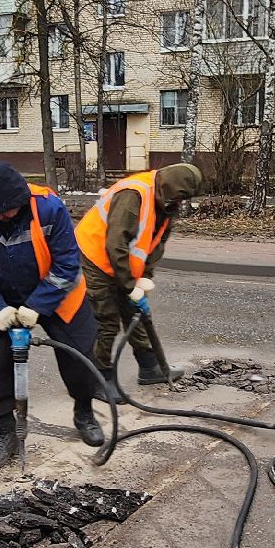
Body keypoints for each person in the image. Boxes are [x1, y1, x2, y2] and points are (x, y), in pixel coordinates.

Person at [0, 163, 104, 469]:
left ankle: (84, 411)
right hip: (5, 300)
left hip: (57, 293)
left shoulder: (49, 208)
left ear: (21, 201)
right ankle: (7, 432)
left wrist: (37, 305)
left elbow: (67, 264)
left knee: (79, 357)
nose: (2, 218)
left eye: (9, 211)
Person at [74, 163, 202, 400]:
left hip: (121, 262)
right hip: (95, 256)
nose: (182, 204)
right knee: (106, 320)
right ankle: (99, 379)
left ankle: (150, 366)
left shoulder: (166, 204)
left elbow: (155, 246)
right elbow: (116, 244)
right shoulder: (133, 194)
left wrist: (143, 278)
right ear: (170, 187)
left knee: (136, 312)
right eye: (181, 198)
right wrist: (127, 285)